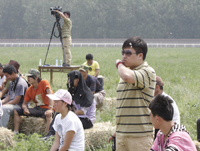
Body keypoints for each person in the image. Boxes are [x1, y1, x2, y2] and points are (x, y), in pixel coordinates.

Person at [108, 37, 156, 151]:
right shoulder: (125, 74)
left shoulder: (147, 71)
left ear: (140, 55)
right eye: (123, 52)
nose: (124, 56)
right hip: (122, 135)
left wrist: (119, 64)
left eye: (128, 53)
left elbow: (127, 76)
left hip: (139, 137)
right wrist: (119, 130)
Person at [46, 70, 96, 137]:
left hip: (85, 120)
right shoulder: (72, 92)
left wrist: (68, 113)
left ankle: (55, 138)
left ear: (77, 80)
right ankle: (50, 135)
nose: (68, 81)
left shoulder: (86, 94)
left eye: (70, 79)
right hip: (75, 116)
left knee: (66, 120)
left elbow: (83, 111)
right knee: (58, 114)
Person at [13, 69, 54, 134]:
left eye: (30, 77)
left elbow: (50, 93)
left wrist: (50, 109)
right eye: (27, 77)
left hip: (47, 108)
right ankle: (16, 132)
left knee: (48, 115)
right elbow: (24, 104)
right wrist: (25, 108)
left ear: (36, 77)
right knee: (16, 111)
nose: (28, 78)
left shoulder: (44, 83)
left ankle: (49, 135)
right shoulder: (29, 90)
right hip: (38, 108)